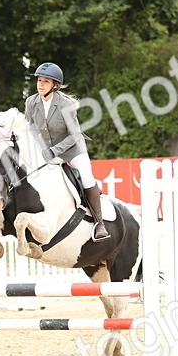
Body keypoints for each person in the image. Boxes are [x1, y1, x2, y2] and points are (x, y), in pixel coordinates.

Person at [22, 62, 109, 241]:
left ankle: (100, 223)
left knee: (86, 178)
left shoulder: (65, 105)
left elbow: (75, 135)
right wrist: (42, 149)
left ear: (55, 85)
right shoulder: (31, 102)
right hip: (46, 150)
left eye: (46, 81)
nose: (40, 84)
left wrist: (53, 151)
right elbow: (31, 128)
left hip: (72, 149)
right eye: (39, 80)